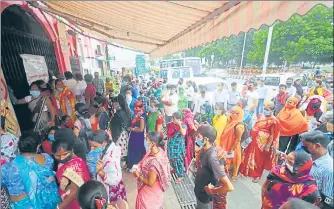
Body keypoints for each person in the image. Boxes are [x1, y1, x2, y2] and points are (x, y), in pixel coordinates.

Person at [2, 131, 61, 208]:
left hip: (23, 205)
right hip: (48, 203)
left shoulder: (6, 168)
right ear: (38, 146)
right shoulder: (48, 159)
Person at [194, 124, 234, 208]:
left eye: (198, 136)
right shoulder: (203, 148)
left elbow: (229, 187)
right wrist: (197, 151)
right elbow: (199, 165)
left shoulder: (212, 158)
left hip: (205, 198)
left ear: (206, 139)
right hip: (199, 190)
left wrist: (212, 191)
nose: (196, 139)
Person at [239, 101, 281, 182]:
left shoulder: (273, 121)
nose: (265, 110)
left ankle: (257, 175)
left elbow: (272, 135)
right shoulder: (261, 115)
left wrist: (268, 146)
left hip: (262, 143)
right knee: (249, 155)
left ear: (272, 110)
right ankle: (246, 171)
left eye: (267, 109)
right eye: (264, 108)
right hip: (253, 140)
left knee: (259, 160)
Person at [133, 132, 171, 209]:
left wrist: (138, 175)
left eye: (146, 140)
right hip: (156, 191)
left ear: (153, 143)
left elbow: (150, 183)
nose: (144, 141)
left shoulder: (155, 162)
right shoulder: (159, 150)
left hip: (149, 193)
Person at [86, 131, 127, 202]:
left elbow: (114, 179)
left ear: (104, 143)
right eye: (91, 146)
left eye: (95, 146)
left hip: (111, 189)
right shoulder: (107, 148)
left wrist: (100, 172)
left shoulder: (110, 159)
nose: (92, 149)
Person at [53, 137, 91, 209]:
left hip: (75, 202)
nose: (61, 158)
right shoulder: (71, 161)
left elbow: (74, 192)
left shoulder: (75, 165)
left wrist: (59, 207)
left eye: (65, 154)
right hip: (69, 200)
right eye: (57, 155)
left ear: (71, 151)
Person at [300, 131, 333, 209]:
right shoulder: (308, 157)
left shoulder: (329, 169)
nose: (302, 147)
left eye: (305, 145)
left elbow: (325, 198)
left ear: (317, 146)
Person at [219, 106, 245, 181]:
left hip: (233, 146)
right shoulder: (231, 121)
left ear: (238, 114)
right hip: (226, 144)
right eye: (231, 112)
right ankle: (225, 173)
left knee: (235, 160)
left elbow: (238, 139)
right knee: (225, 159)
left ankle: (234, 175)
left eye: (233, 113)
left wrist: (232, 149)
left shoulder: (239, 126)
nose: (231, 114)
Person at [110, 95, 131, 164]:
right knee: (123, 152)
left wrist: (112, 117)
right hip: (124, 134)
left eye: (114, 103)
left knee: (118, 153)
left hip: (119, 135)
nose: (113, 105)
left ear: (117, 103)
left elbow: (113, 125)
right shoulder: (127, 110)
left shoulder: (118, 114)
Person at [167, 112, 187, 182]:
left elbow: (183, 133)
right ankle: (175, 170)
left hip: (178, 147)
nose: (172, 120)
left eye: (174, 119)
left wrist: (179, 125)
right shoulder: (171, 124)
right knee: (171, 159)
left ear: (179, 119)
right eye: (172, 118)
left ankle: (180, 175)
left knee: (178, 160)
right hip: (171, 145)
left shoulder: (183, 125)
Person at [127, 101, 146, 170]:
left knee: (136, 150)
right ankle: (130, 165)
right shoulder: (137, 115)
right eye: (134, 107)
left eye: (137, 107)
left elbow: (141, 129)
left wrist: (131, 129)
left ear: (141, 108)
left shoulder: (141, 117)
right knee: (131, 149)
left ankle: (135, 166)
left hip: (138, 136)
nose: (135, 109)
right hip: (133, 135)